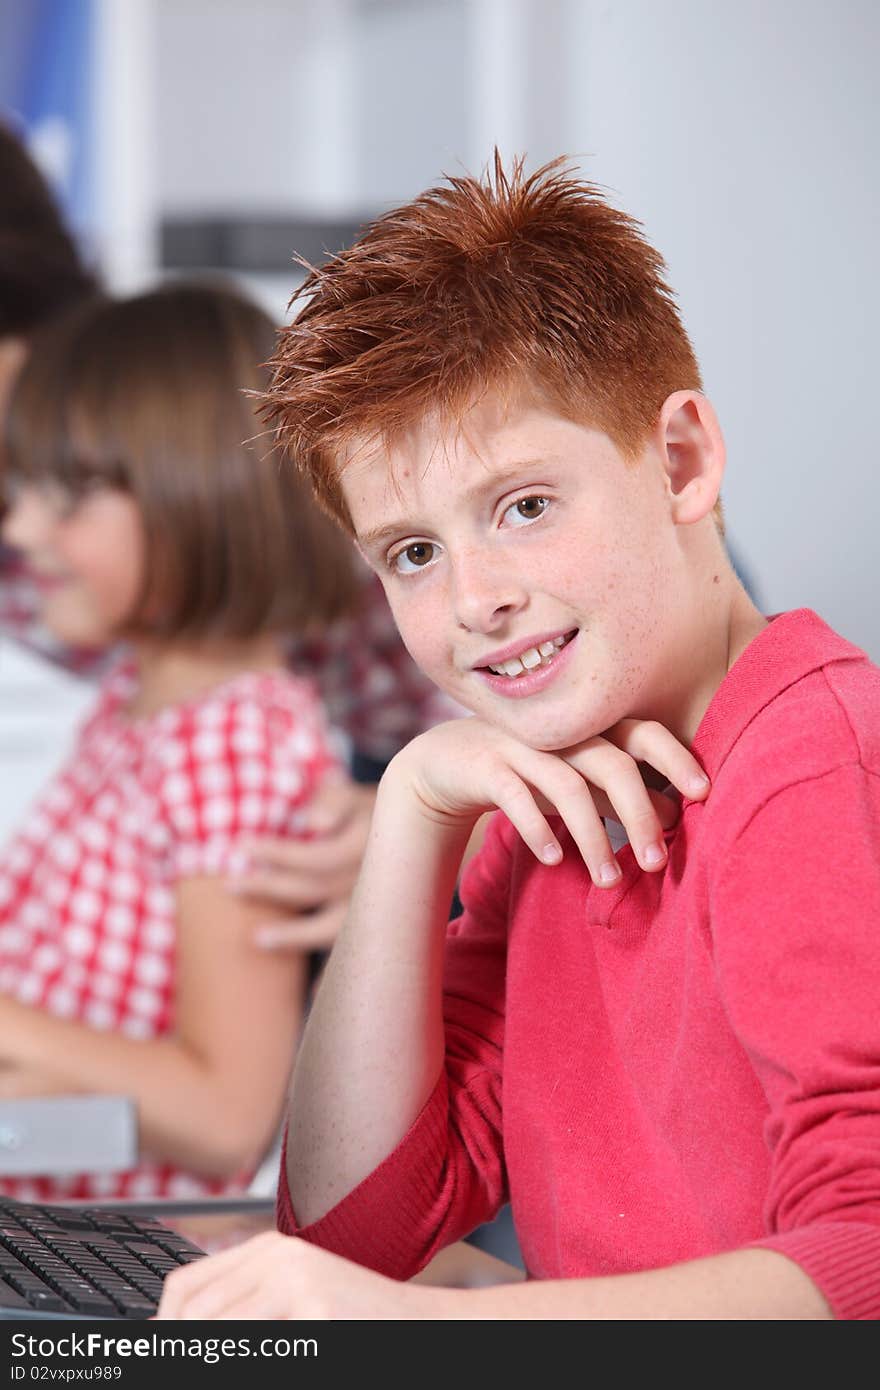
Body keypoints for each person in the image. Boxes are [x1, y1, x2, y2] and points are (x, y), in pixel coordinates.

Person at [155, 153, 880, 1321]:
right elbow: (352, 1227)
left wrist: (420, 1328)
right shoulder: (550, 797)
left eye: (524, 506)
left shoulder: (809, 766)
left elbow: (867, 1258)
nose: (474, 598)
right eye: (412, 552)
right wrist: (415, 810)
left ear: (681, 461)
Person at [0, 280, 355, 1202]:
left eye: (68, 496)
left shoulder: (231, 746)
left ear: (198, 499)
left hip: (127, 1266)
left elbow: (225, 1115)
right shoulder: (136, 695)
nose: (22, 528)